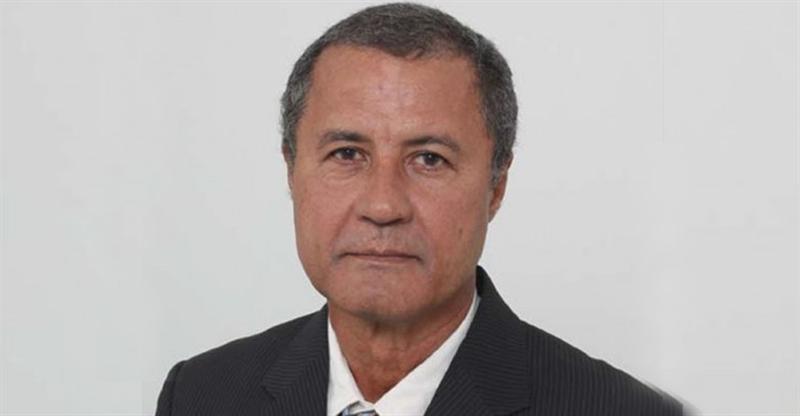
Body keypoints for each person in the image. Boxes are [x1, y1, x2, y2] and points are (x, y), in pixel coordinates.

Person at [155, 3, 683, 415]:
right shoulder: (201, 395)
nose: (383, 205)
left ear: (496, 187)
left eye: (429, 159)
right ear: (292, 172)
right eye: (347, 154)